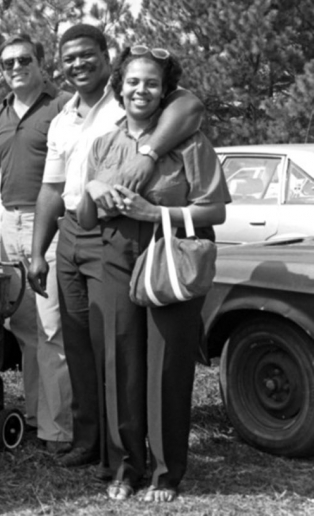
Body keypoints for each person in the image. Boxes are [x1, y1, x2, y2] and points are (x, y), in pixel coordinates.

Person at [28, 24, 205, 474]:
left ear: (108, 60)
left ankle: (150, 456)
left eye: (88, 54)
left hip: (124, 236)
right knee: (87, 345)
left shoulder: (134, 105)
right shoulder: (62, 115)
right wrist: (39, 251)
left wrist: (146, 156)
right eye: (68, 58)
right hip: (74, 228)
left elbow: (190, 104)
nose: (78, 64)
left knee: (132, 350)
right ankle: (94, 443)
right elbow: (51, 187)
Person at [76, 46, 230, 502]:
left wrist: (155, 209)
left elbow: (216, 209)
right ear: (118, 88)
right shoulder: (104, 143)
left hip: (169, 256)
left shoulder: (190, 143)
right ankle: (126, 467)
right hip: (114, 256)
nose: (141, 90)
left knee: (166, 367)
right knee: (119, 362)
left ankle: (166, 473)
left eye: (151, 83)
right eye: (133, 82)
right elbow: (85, 219)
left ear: (165, 91)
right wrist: (93, 186)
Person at [0, 34, 73, 454]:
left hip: (51, 225)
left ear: (41, 63)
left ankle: (59, 431)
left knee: (53, 330)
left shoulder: (62, 105)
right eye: (7, 62)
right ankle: (36, 415)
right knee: (25, 329)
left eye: (24, 59)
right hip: (9, 225)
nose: (15, 67)